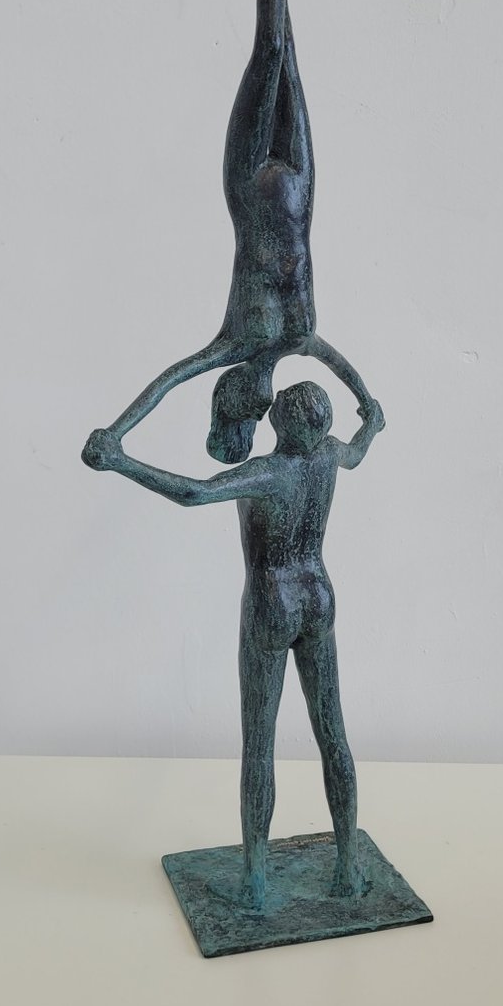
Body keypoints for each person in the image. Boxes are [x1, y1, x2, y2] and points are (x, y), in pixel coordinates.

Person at [89, 0, 374, 466]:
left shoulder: (231, 342)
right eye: (249, 409)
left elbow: (167, 381)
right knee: (287, 52)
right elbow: (343, 368)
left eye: (232, 404)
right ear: (260, 411)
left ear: (226, 400)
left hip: (249, 183)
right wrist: (368, 405)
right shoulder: (300, 339)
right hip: (298, 188)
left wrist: (115, 437)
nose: (246, 398)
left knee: (269, 51)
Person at [82, 382, 385, 909]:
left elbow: (194, 492)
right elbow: (358, 449)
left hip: (273, 602)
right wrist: (373, 422)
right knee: (333, 732)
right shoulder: (330, 454)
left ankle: (255, 882)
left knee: (259, 745)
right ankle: (348, 869)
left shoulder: (267, 473)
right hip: (318, 596)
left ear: (281, 423)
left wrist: (120, 461)